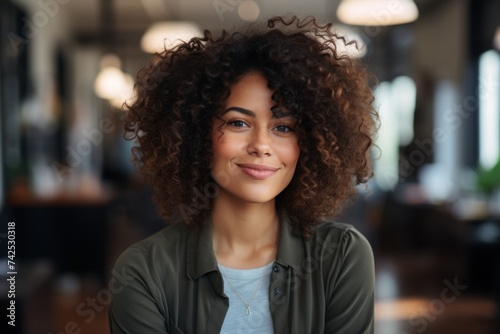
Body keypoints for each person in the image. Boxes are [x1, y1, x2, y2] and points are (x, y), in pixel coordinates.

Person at [109, 16, 378, 334]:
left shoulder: (343, 256)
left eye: (283, 127)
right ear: (196, 133)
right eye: (238, 122)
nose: (261, 145)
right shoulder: (143, 271)